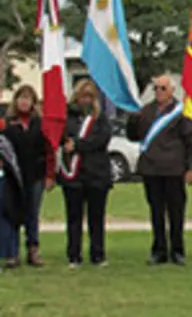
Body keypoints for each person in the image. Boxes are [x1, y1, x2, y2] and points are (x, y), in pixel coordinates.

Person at [126, 75, 192, 266]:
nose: (159, 92)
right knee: (156, 212)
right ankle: (159, 250)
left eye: (163, 88)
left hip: (174, 170)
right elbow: (133, 135)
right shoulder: (145, 111)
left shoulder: (181, 113)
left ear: (172, 90)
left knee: (176, 213)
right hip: (152, 169)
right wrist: (132, 120)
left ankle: (177, 250)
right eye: (156, 88)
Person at [52, 79, 113, 268]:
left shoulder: (100, 118)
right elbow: (61, 138)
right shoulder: (66, 117)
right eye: (83, 95)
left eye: (89, 96)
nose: (86, 99)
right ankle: (74, 255)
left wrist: (78, 145)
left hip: (97, 174)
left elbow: (101, 140)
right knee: (74, 217)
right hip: (74, 174)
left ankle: (98, 254)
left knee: (96, 217)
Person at [2, 85, 53, 267]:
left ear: (33, 102)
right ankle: (11, 253)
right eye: (21, 98)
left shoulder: (40, 125)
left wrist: (49, 174)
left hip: (35, 175)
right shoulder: (7, 125)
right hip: (12, 177)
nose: (24, 102)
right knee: (12, 213)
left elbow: (49, 151)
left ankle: (33, 250)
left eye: (27, 98)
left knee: (32, 214)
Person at [0, 134, 23, 270]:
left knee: (7, 217)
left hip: (4, 182)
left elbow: (10, 162)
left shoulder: (4, 141)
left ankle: (11, 254)